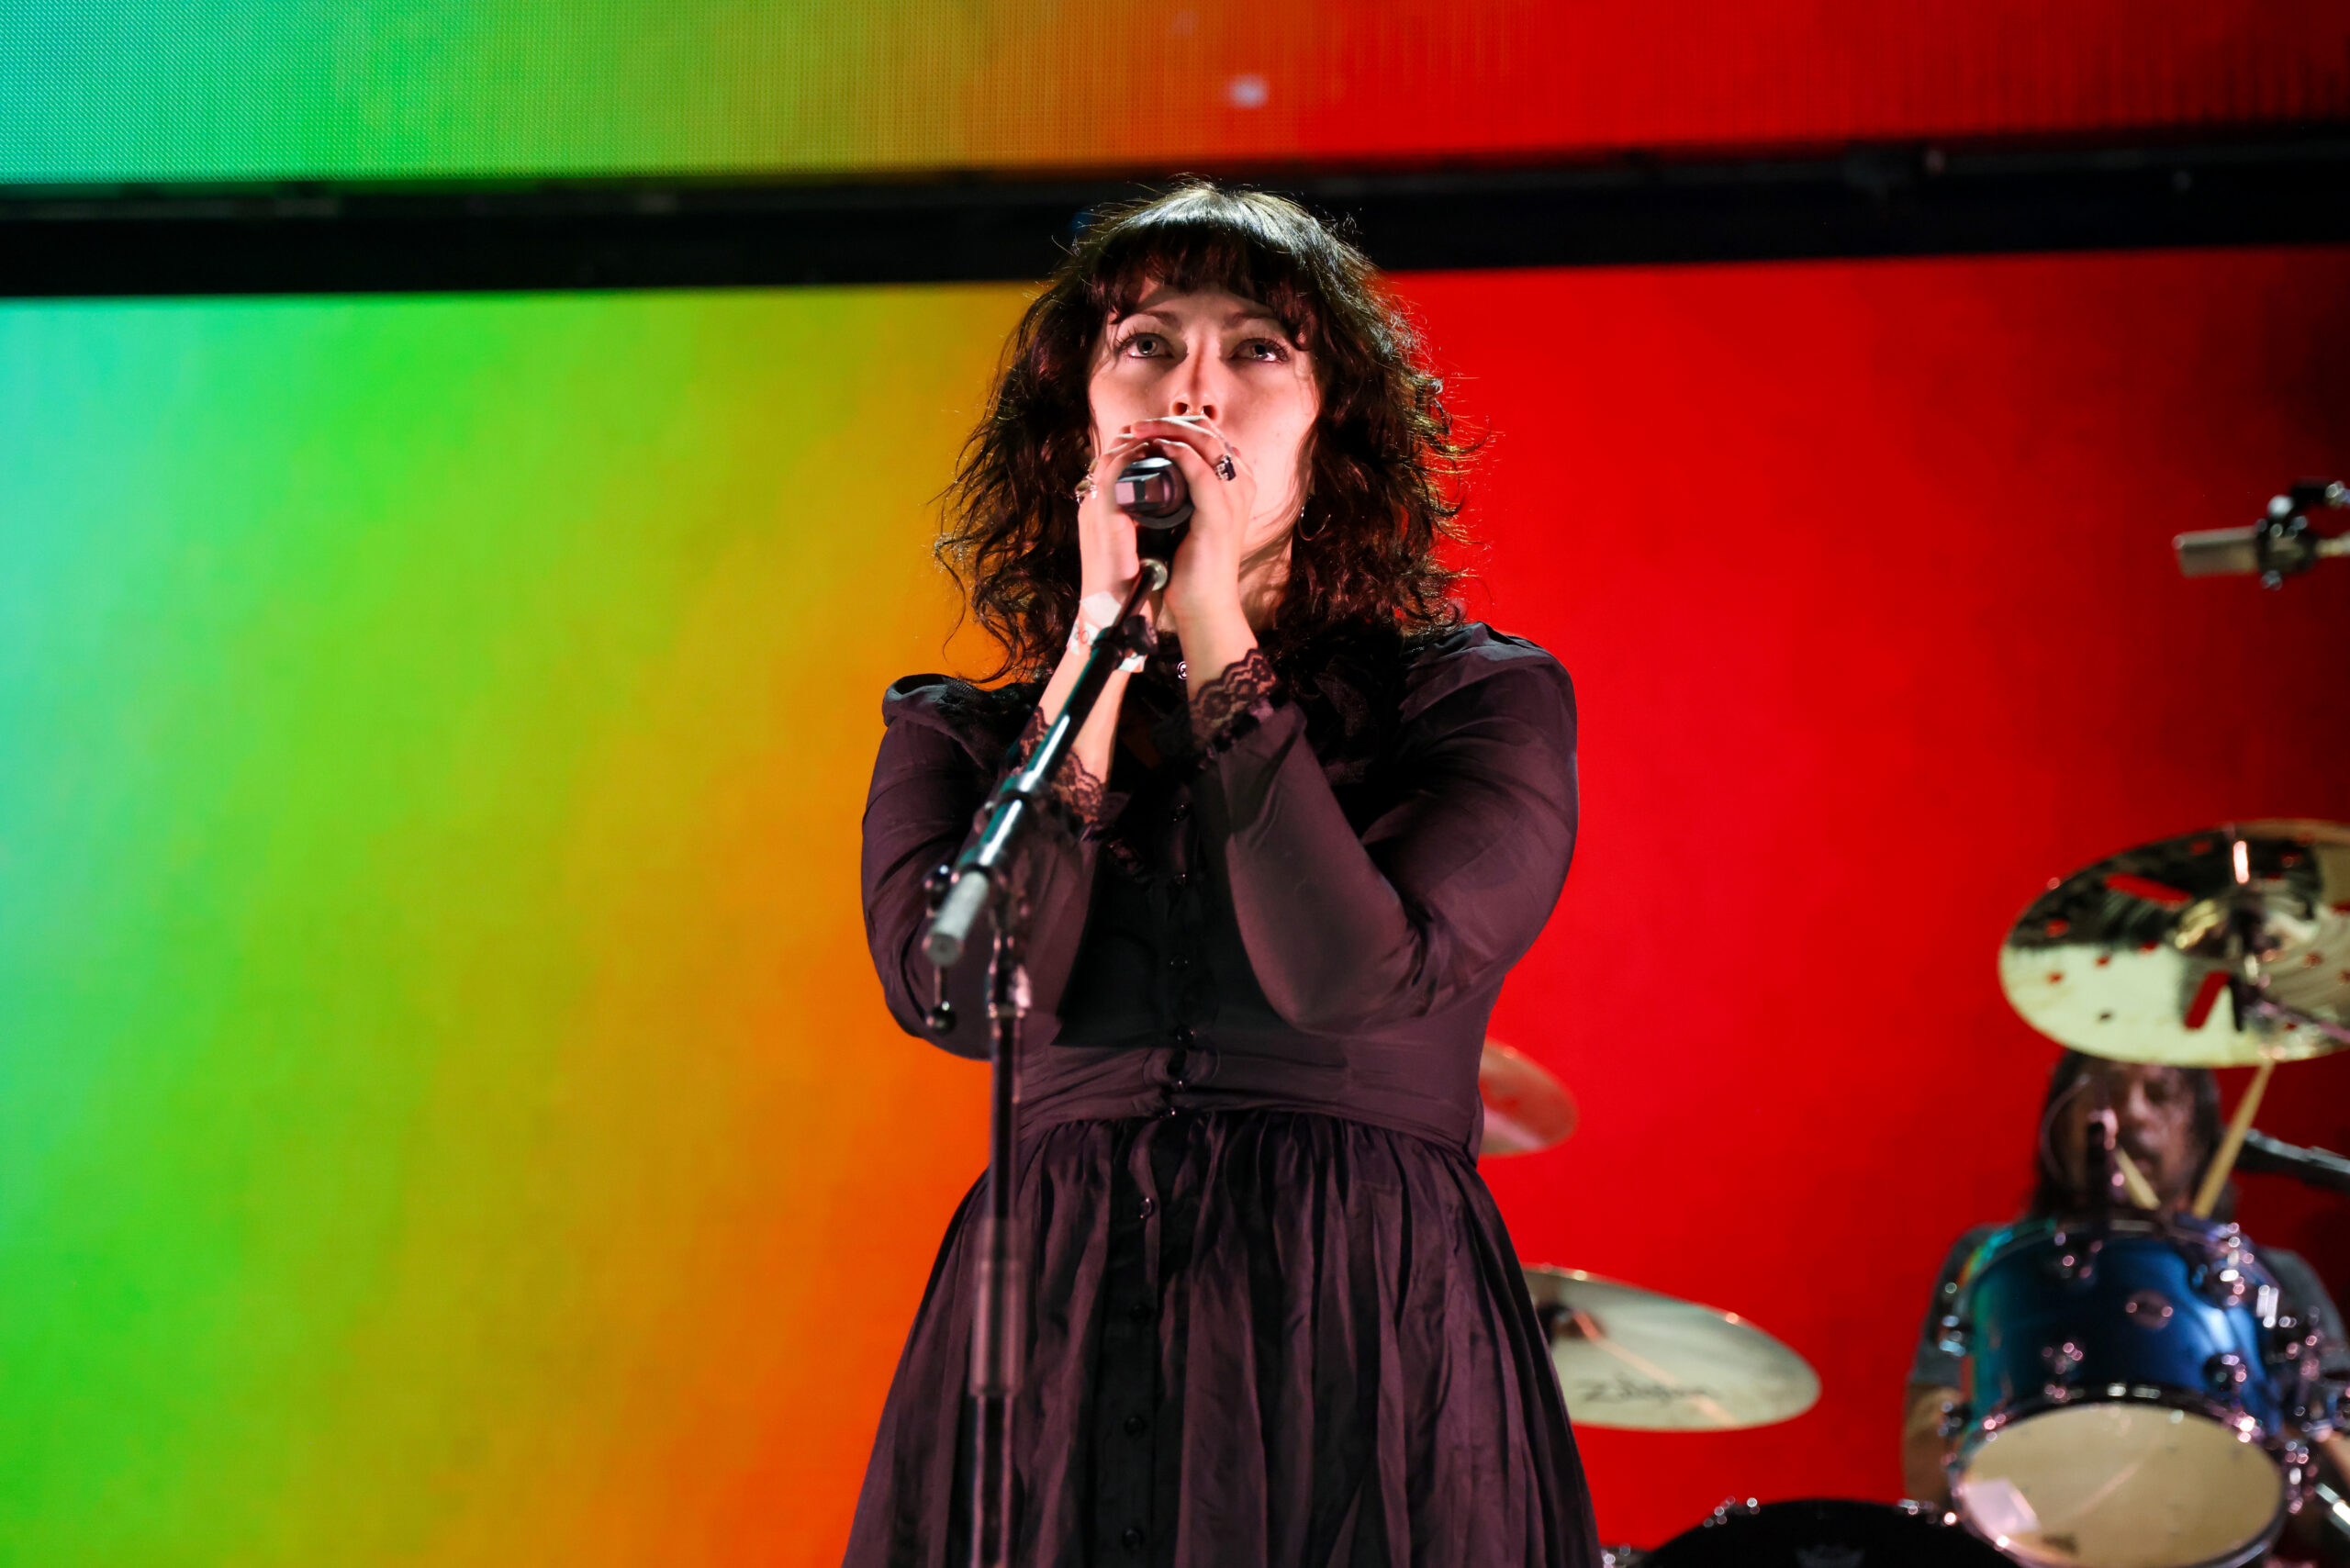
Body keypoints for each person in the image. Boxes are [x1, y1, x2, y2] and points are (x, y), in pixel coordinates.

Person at [845, 184, 1598, 1567]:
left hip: (1358, 1313)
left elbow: (1347, 976)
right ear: (1078, 419)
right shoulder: (959, 735)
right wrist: (1097, 643)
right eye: (1146, 345)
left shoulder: (1474, 704)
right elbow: (963, 998)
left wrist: (1208, 623)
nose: (1191, 389)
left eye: (1256, 349)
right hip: (1058, 1324)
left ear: (1331, 425)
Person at [1901, 1051, 2350, 1562]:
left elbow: (2328, 1510)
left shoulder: (2275, 1280)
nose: (2131, 1114)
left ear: (2201, 1132)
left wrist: (2296, 1415)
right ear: (2060, 1120)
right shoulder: (1986, 1263)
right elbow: (1925, 1476)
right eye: (2105, 1091)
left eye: (2159, 1095)